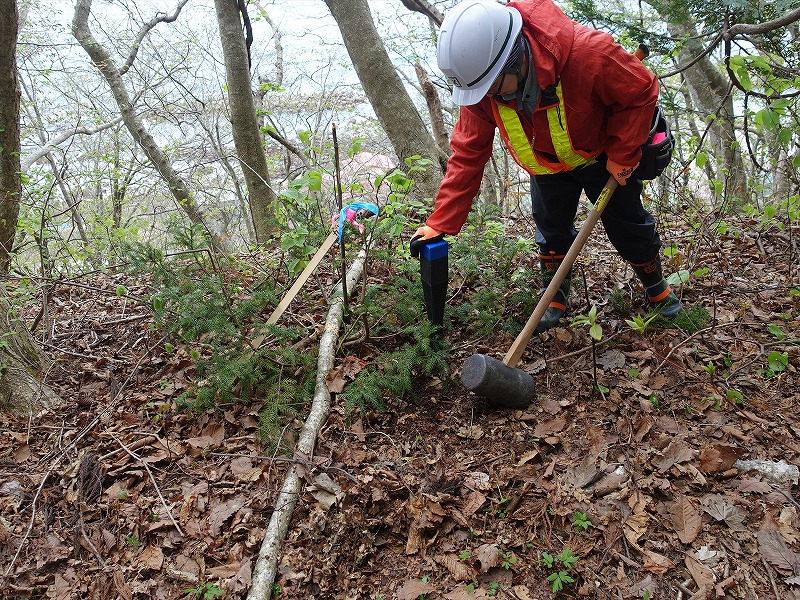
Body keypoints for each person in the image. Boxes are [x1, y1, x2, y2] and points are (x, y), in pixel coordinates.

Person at [410, 0, 683, 332]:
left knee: (628, 224)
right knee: (551, 232)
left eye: (494, 87)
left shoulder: (589, 54)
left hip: (600, 158)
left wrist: (624, 154)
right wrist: (441, 222)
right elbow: (468, 154)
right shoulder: (480, 87)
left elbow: (640, 89)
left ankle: (656, 286)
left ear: (516, 59)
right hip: (545, 168)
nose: (489, 96)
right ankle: (553, 296)